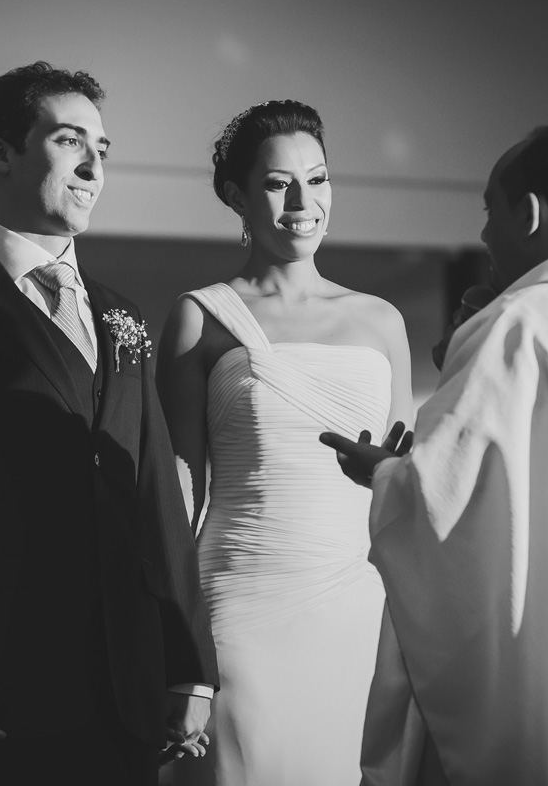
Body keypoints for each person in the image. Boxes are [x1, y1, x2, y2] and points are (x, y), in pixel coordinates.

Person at [0, 62, 219, 786]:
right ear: (2, 153)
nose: (94, 166)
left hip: (127, 691)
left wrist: (190, 666)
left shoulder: (123, 315)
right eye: (69, 141)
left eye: (102, 147)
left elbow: (156, 491)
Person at [321, 123, 548, 785]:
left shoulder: (522, 322)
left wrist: (387, 475)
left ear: (529, 212)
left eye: (491, 209)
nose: (486, 234)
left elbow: (447, 501)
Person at [157, 100, 414, 786]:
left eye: (318, 179)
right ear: (237, 197)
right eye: (278, 184)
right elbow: (179, 494)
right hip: (241, 604)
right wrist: (177, 647)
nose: (304, 202)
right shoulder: (200, 316)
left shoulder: (381, 321)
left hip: (359, 604)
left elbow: (401, 485)